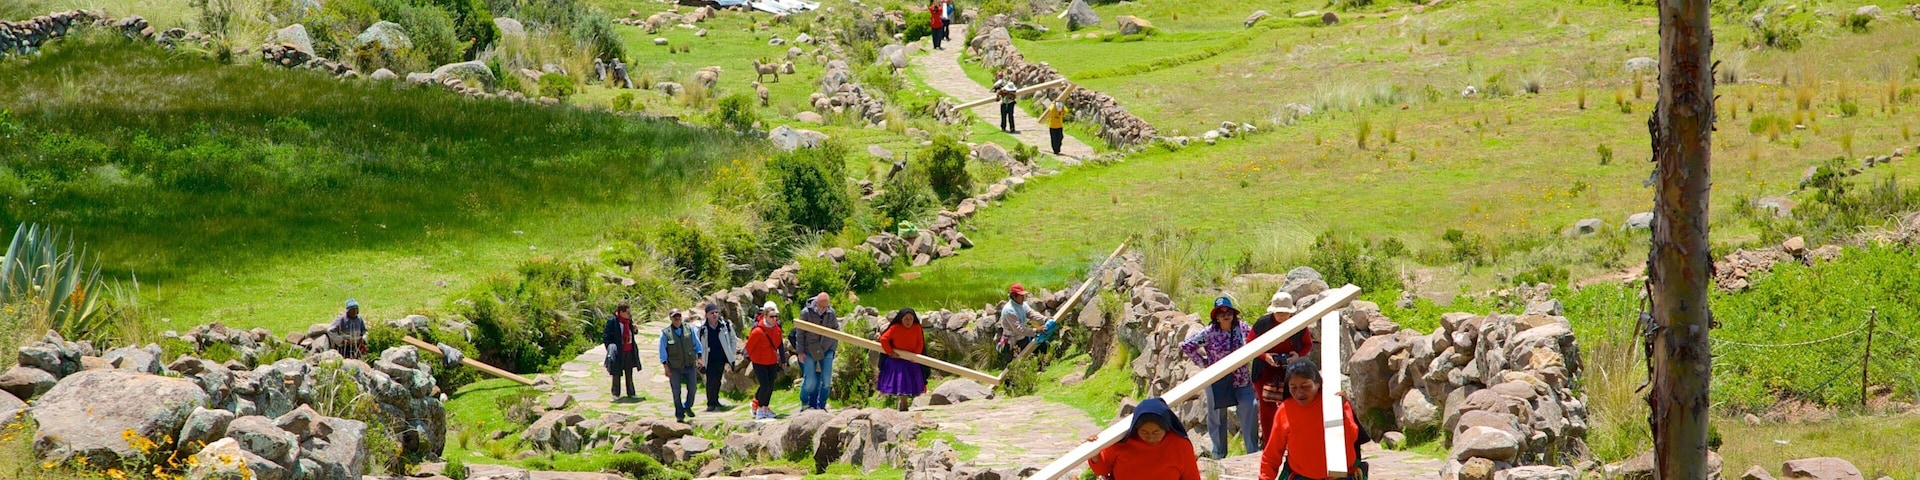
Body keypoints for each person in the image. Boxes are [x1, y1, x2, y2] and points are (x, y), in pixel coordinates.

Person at [1180, 295, 1259, 458]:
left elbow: (1257, 340)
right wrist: (1204, 364)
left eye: (1228, 311)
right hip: (1217, 381)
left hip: (1242, 380)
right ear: (1216, 316)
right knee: (1217, 417)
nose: (1225, 315)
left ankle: (1253, 453)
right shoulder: (1209, 332)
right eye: (1221, 312)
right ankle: (1219, 454)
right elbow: (1187, 346)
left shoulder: (1242, 328)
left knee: (1250, 409)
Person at [1259, 359, 1365, 480]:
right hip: (1301, 477)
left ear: (1318, 383)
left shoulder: (1335, 403)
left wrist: (1342, 411)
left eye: (1305, 386)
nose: (1299, 392)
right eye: (1293, 387)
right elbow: (1272, 454)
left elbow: (1350, 437)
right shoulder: (1285, 410)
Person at [1250, 291, 1313, 445]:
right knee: (1266, 409)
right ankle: (1269, 441)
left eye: (1285, 313)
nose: (1282, 316)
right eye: (1278, 313)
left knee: (1292, 403)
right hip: (1264, 370)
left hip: (1289, 371)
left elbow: (1307, 344)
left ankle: (1292, 438)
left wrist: (1297, 356)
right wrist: (1266, 356)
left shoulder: (1299, 325)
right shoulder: (1263, 323)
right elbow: (1250, 344)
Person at [1085, 398, 1202, 480]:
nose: (1150, 437)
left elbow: (1191, 478)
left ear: (1167, 428)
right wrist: (1094, 450)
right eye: (1144, 432)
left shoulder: (1179, 445)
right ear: (1136, 428)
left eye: (1156, 432)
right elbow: (1102, 470)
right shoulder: (1122, 443)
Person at [791, 293, 840, 411]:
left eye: (826, 307)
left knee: (827, 381)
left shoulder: (830, 313)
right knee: (810, 380)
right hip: (809, 350)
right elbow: (800, 334)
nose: (824, 309)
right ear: (816, 303)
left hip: (827, 349)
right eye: (822, 307)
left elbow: (836, 331)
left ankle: (821, 405)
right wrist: (800, 352)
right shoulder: (806, 313)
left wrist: (832, 349)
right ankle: (804, 403)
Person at [876, 308, 929, 411]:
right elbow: (883, 339)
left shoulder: (917, 327)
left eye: (910, 319)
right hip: (897, 360)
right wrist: (890, 352)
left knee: (911, 382)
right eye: (906, 319)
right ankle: (903, 404)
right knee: (901, 380)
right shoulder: (895, 327)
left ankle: (904, 404)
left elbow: (920, 343)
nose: (908, 321)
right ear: (901, 319)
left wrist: (915, 355)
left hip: (911, 359)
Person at [658, 309, 705, 423]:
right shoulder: (665, 333)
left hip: (689, 364)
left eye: (679, 316)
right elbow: (662, 351)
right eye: (675, 317)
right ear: (671, 318)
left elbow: (697, 345)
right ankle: (679, 414)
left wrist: (699, 358)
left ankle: (687, 406)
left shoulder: (690, 329)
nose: (677, 318)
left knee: (693, 388)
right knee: (676, 391)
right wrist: (665, 367)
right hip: (674, 367)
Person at [744, 301, 786, 420]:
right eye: (771, 316)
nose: (774, 319)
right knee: (765, 385)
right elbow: (749, 347)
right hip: (759, 362)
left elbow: (779, 344)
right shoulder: (757, 331)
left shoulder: (776, 329)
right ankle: (760, 408)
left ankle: (765, 407)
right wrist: (756, 358)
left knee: (770, 386)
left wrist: (782, 359)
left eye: (775, 316)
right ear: (765, 316)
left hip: (772, 361)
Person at [698, 302, 743, 412]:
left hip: (721, 357)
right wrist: (699, 359)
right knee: (710, 380)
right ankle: (710, 403)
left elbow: (733, 339)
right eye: (711, 313)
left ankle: (716, 400)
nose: (714, 315)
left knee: (718, 380)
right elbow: (697, 344)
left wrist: (731, 353)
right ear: (707, 315)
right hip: (709, 358)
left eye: (716, 312)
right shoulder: (702, 329)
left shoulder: (725, 325)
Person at [996, 283, 1054, 362]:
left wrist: (1045, 319)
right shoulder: (1009, 310)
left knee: (1043, 345)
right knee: (1016, 362)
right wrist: (1036, 330)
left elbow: (1032, 314)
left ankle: (1044, 364)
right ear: (1014, 296)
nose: (1023, 297)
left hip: (1023, 337)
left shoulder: (1022, 305)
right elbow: (1019, 329)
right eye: (1021, 295)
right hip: (1013, 341)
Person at [603, 301, 643, 399]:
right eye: (627, 313)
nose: (629, 315)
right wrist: (610, 348)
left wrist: (635, 329)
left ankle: (631, 392)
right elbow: (606, 336)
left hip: (629, 350)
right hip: (618, 351)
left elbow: (632, 333)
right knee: (616, 373)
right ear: (621, 312)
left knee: (629, 373)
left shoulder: (629, 321)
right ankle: (616, 393)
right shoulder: (612, 321)